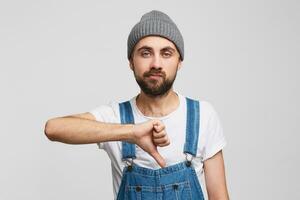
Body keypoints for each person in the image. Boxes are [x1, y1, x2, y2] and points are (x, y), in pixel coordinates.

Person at [44, 10, 230, 200]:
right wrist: (130, 133)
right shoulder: (115, 116)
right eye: (145, 53)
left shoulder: (203, 115)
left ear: (179, 62)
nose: (156, 63)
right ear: (131, 62)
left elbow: (219, 197)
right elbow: (53, 128)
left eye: (166, 53)